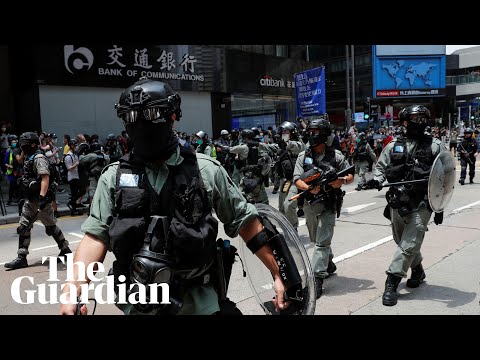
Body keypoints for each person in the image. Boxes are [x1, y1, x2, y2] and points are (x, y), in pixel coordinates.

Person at [59, 78, 289, 315]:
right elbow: (95, 237)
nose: (141, 125)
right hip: (139, 303)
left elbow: (246, 223)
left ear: (172, 116)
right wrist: (73, 289)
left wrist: (278, 275)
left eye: (152, 115)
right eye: (131, 117)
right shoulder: (113, 177)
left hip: (199, 303)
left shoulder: (206, 170)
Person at [367, 105, 448, 306]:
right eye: (415, 118)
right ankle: (418, 270)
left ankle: (392, 281)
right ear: (404, 122)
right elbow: (381, 167)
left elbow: (445, 176)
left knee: (409, 242)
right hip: (397, 201)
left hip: (422, 202)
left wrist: (439, 207)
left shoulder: (435, 145)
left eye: (423, 118)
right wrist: (376, 179)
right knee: (401, 240)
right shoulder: (393, 145)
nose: (420, 122)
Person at [292, 118, 354, 299]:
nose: (312, 135)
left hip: (328, 204)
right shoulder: (303, 156)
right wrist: (308, 187)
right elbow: (297, 179)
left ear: (325, 135)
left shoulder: (336, 156)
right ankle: (329, 263)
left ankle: (317, 279)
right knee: (316, 238)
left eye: (316, 132)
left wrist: (340, 181)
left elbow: (350, 174)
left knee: (321, 243)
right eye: (310, 132)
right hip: (311, 205)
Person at [4, 132, 72, 270]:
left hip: (39, 200)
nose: (22, 145)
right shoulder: (29, 156)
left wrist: (42, 197)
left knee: (50, 227)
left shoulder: (39, 158)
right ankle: (21, 257)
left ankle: (65, 250)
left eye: (25, 143)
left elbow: (45, 177)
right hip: (31, 199)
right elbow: (20, 161)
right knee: (24, 226)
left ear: (33, 144)